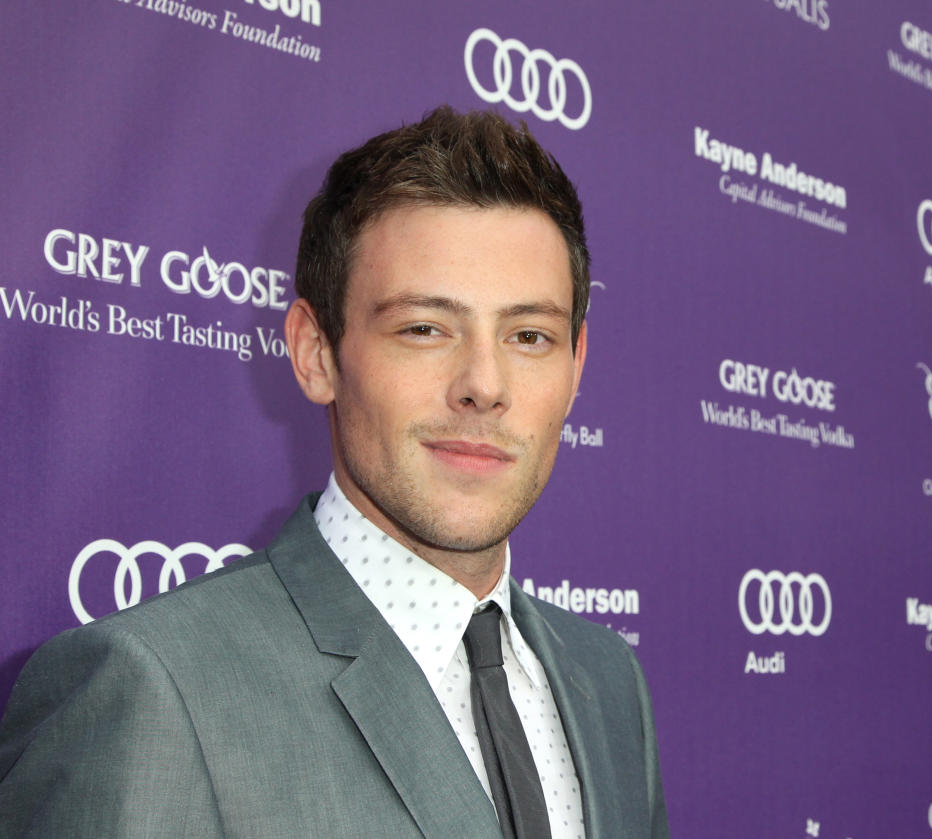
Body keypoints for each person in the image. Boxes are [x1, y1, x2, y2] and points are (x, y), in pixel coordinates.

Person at [0, 106, 669, 839]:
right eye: (424, 328)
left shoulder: (608, 680)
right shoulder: (152, 689)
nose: (485, 383)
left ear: (576, 369)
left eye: (530, 335)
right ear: (316, 353)